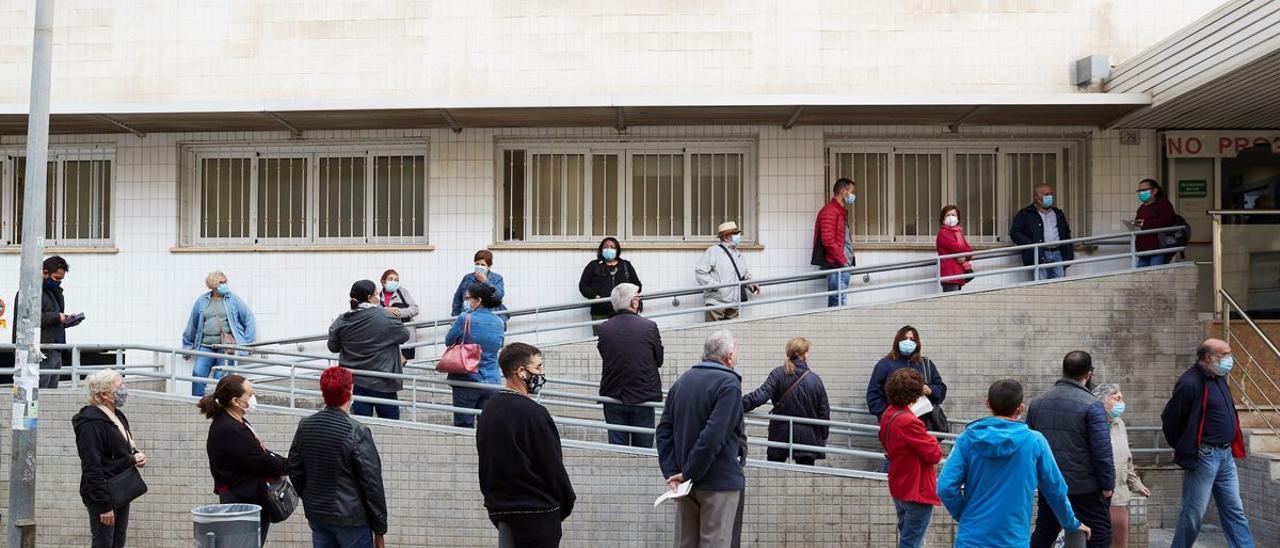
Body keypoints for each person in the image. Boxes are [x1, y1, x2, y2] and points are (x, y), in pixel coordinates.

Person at [937, 379, 1091, 547]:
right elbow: (1055, 489)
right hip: (1013, 539)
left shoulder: (967, 439)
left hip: (972, 538)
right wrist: (1071, 523)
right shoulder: (1035, 442)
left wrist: (965, 516)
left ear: (988, 403)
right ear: (1020, 408)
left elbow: (945, 487)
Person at [476, 343, 577, 548]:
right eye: (538, 367)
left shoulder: (488, 410)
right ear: (521, 372)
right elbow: (552, 466)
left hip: (502, 510)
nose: (542, 373)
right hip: (538, 511)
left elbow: (486, 462)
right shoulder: (534, 413)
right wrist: (564, 503)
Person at [1161, 338, 1255, 548]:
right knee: (1194, 513)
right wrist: (1188, 448)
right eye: (1224, 355)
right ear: (1207, 357)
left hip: (1225, 455)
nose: (1229, 359)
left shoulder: (1218, 378)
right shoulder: (1189, 383)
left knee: (1234, 510)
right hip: (1204, 456)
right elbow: (1171, 421)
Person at [656, 330, 746, 548]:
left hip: (686, 484)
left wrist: (674, 474)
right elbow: (712, 437)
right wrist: (687, 472)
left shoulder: (681, 382)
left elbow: (663, 432)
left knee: (685, 543)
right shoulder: (729, 385)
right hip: (719, 482)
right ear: (729, 356)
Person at [288, 366, 388, 548]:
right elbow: (372, 483)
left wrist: (311, 498)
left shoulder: (305, 426)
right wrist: (380, 528)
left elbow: (294, 469)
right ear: (350, 391)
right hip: (352, 520)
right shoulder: (357, 432)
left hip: (319, 516)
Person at [1026, 351, 1115, 548]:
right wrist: (1108, 484)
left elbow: (1030, 446)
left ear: (1064, 370)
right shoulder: (1092, 405)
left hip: (1048, 484)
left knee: (1045, 532)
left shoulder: (1038, 403)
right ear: (1089, 374)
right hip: (1085, 487)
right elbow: (1102, 451)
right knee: (1099, 535)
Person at [199, 374, 288, 545]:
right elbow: (261, 461)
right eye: (250, 394)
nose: (253, 398)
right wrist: (290, 464)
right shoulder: (229, 428)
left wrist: (284, 462)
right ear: (235, 401)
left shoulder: (237, 421)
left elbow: (261, 453)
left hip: (250, 498)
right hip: (242, 502)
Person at [74, 369, 147, 548]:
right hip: (105, 494)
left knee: (117, 540)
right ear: (105, 394)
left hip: (122, 489)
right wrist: (104, 505)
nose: (124, 390)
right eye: (120, 386)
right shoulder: (90, 423)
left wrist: (135, 455)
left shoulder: (117, 415)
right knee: (103, 542)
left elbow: (121, 448)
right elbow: (92, 466)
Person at [328, 280, 410, 420]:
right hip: (383, 380)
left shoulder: (342, 320)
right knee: (390, 426)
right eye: (376, 294)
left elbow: (333, 347)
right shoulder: (385, 316)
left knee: (360, 425)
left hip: (355, 380)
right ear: (369, 297)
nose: (378, 297)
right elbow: (404, 335)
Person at [878, 369, 941, 548]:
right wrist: (931, 439)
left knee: (909, 534)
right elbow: (934, 454)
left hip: (899, 482)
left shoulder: (889, 413)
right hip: (915, 488)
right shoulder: (909, 421)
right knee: (912, 540)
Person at [741, 337, 830, 465]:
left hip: (780, 434)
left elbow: (760, 396)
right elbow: (824, 411)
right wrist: (823, 434)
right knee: (805, 478)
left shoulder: (778, 374)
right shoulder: (815, 380)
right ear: (804, 354)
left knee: (774, 473)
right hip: (807, 438)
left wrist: (737, 404)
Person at [597, 283, 664, 447]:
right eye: (638, 297)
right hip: (643, 395)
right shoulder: (649, 327)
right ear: (634, 302)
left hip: (612, 394)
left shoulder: (604, 328)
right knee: (643, 449)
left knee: (617, 449)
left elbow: (605, 354)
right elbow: (659, 359)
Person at [182, 270, 258, 397]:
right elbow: (193, 324)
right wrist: (187, 347)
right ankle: (198, 402)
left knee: (221, 377)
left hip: (226, 347)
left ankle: (219, 403)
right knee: (198, 372)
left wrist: (247, 344)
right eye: (221, 283)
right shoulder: (202, 301)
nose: (224, 285)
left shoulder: (233, 299)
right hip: (206, 346)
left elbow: (248, 318)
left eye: (225, 282)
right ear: (212, 285)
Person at [1092, 384, 1150, 548]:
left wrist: (1136, 483)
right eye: (1117, 398)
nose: (1121, 402)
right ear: (1102, 401)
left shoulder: (1119, 424)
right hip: (1096, 494)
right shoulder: (1091, 424)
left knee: (1119, 538)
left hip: (1119, 494)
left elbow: (1127, 460)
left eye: (1122, 398)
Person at [445, 282, 506, 427]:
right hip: (492, 381)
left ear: (478, 300)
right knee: (487, 427)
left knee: (463, 427)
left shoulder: (465, 318)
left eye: (468, 298)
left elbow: (449, 341)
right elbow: (499, 343)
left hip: (467, 379)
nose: (466, 302)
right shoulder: (499, 321)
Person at [19, 255, 83, 388]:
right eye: (57, 278)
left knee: (50, 391)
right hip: (41, 352)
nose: (59, 282)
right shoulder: (31, 292)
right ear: (45, 273)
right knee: (40, 390)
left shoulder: (53, 293)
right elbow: (28, 319)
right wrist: (57, 317)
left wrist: (66, 321)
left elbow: (48, 319)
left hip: (55, 350)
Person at [865, 326, 947, 422]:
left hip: (924, 423)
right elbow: (873, 396)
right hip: (895, 423)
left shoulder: (926, 364)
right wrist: (890, 415)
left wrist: (930, 390)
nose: (908, 342)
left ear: (917, 343)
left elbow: (941, 389)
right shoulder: (884, 365)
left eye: (912, 339)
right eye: (904, 339)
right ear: (897, 341)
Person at [695, 221, 759, 322]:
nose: (738, 236)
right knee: (714, 334)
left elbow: (744, 275)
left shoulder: (738, 254)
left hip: (734, 304)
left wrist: (752, 284)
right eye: (734, 234)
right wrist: (717, 287)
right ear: (725, 237)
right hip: (716, 303)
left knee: (732, 334)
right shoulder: (714, 251)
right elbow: (700, 272)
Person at [579, 237, 643, 336]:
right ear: (601, 249)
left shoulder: (625, 265)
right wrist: (596, 297)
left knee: (624, 339)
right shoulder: (593, 265)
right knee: (603, 341)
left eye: (612, 247)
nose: (609, 249)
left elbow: (637, 285)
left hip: (623, 312)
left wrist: (627, 296)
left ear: (617, 250)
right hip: (600, 312)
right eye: (606, 247)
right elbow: (583, 285)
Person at [1010, 184, 1074, 280]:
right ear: (1036, 197)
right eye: (1047, 194)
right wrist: (1031, 244)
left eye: (1051, 194)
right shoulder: (1026, 214)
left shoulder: (1058, 213)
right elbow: (1015, 233)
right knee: (1041, 285)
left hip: (1057, 253)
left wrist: (1068, 254)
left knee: (1060, 285)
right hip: (1039, 254)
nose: (1050, 197)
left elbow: (1066, 233)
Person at [811, 178, 856, 307]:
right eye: (852, 191)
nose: (853, 195)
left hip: (842, 264)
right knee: (837, 302)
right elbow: (829, 241)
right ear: (844, 191)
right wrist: (842, 261)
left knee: (839, 301)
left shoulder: (840, 212)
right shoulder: (830, 211)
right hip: (837, 265)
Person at [1133, 178, 1177, 267]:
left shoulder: (1163, 204)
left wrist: (1145, 223)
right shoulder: (1142, 207)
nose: (1141, 193)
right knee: (1141, 278)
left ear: (1155, 191)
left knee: (1156, 278)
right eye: (1139, 191)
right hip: (1143, 250)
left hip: (1158, 249)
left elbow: (1167, 220)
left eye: (1144, 190)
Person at [451, 250, 507, 320]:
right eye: (477, 264)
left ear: (489, 266)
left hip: (490, 318)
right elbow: (458, 298)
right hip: (470, 317)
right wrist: (455, 317)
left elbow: (499, 296)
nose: (479, 266)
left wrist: (485, 281)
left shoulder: (497, 278)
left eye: (483, 265)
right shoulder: (468, 278)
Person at [378, 269, 420, 361]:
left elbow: (415, 309)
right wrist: (386, 311)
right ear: (383, 281)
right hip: (386, 338)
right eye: (391, 279)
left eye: (396, 280)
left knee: (405, 363)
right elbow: (373, 312)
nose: (394, 282)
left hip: (405, 335)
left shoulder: (403, 292)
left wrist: (398, 313)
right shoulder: (377, 296)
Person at [935, 205, 973, 292]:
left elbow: (969, 251)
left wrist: (965, 257)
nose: (951, 217)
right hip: (950, 275)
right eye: (948, 215)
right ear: (943, 218)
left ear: (958, 218)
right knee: (951, 302)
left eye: (953, 215)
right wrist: (965, 253)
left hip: (958, 274)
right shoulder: (943, 233)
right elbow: (959, 247)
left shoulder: (957, 232)